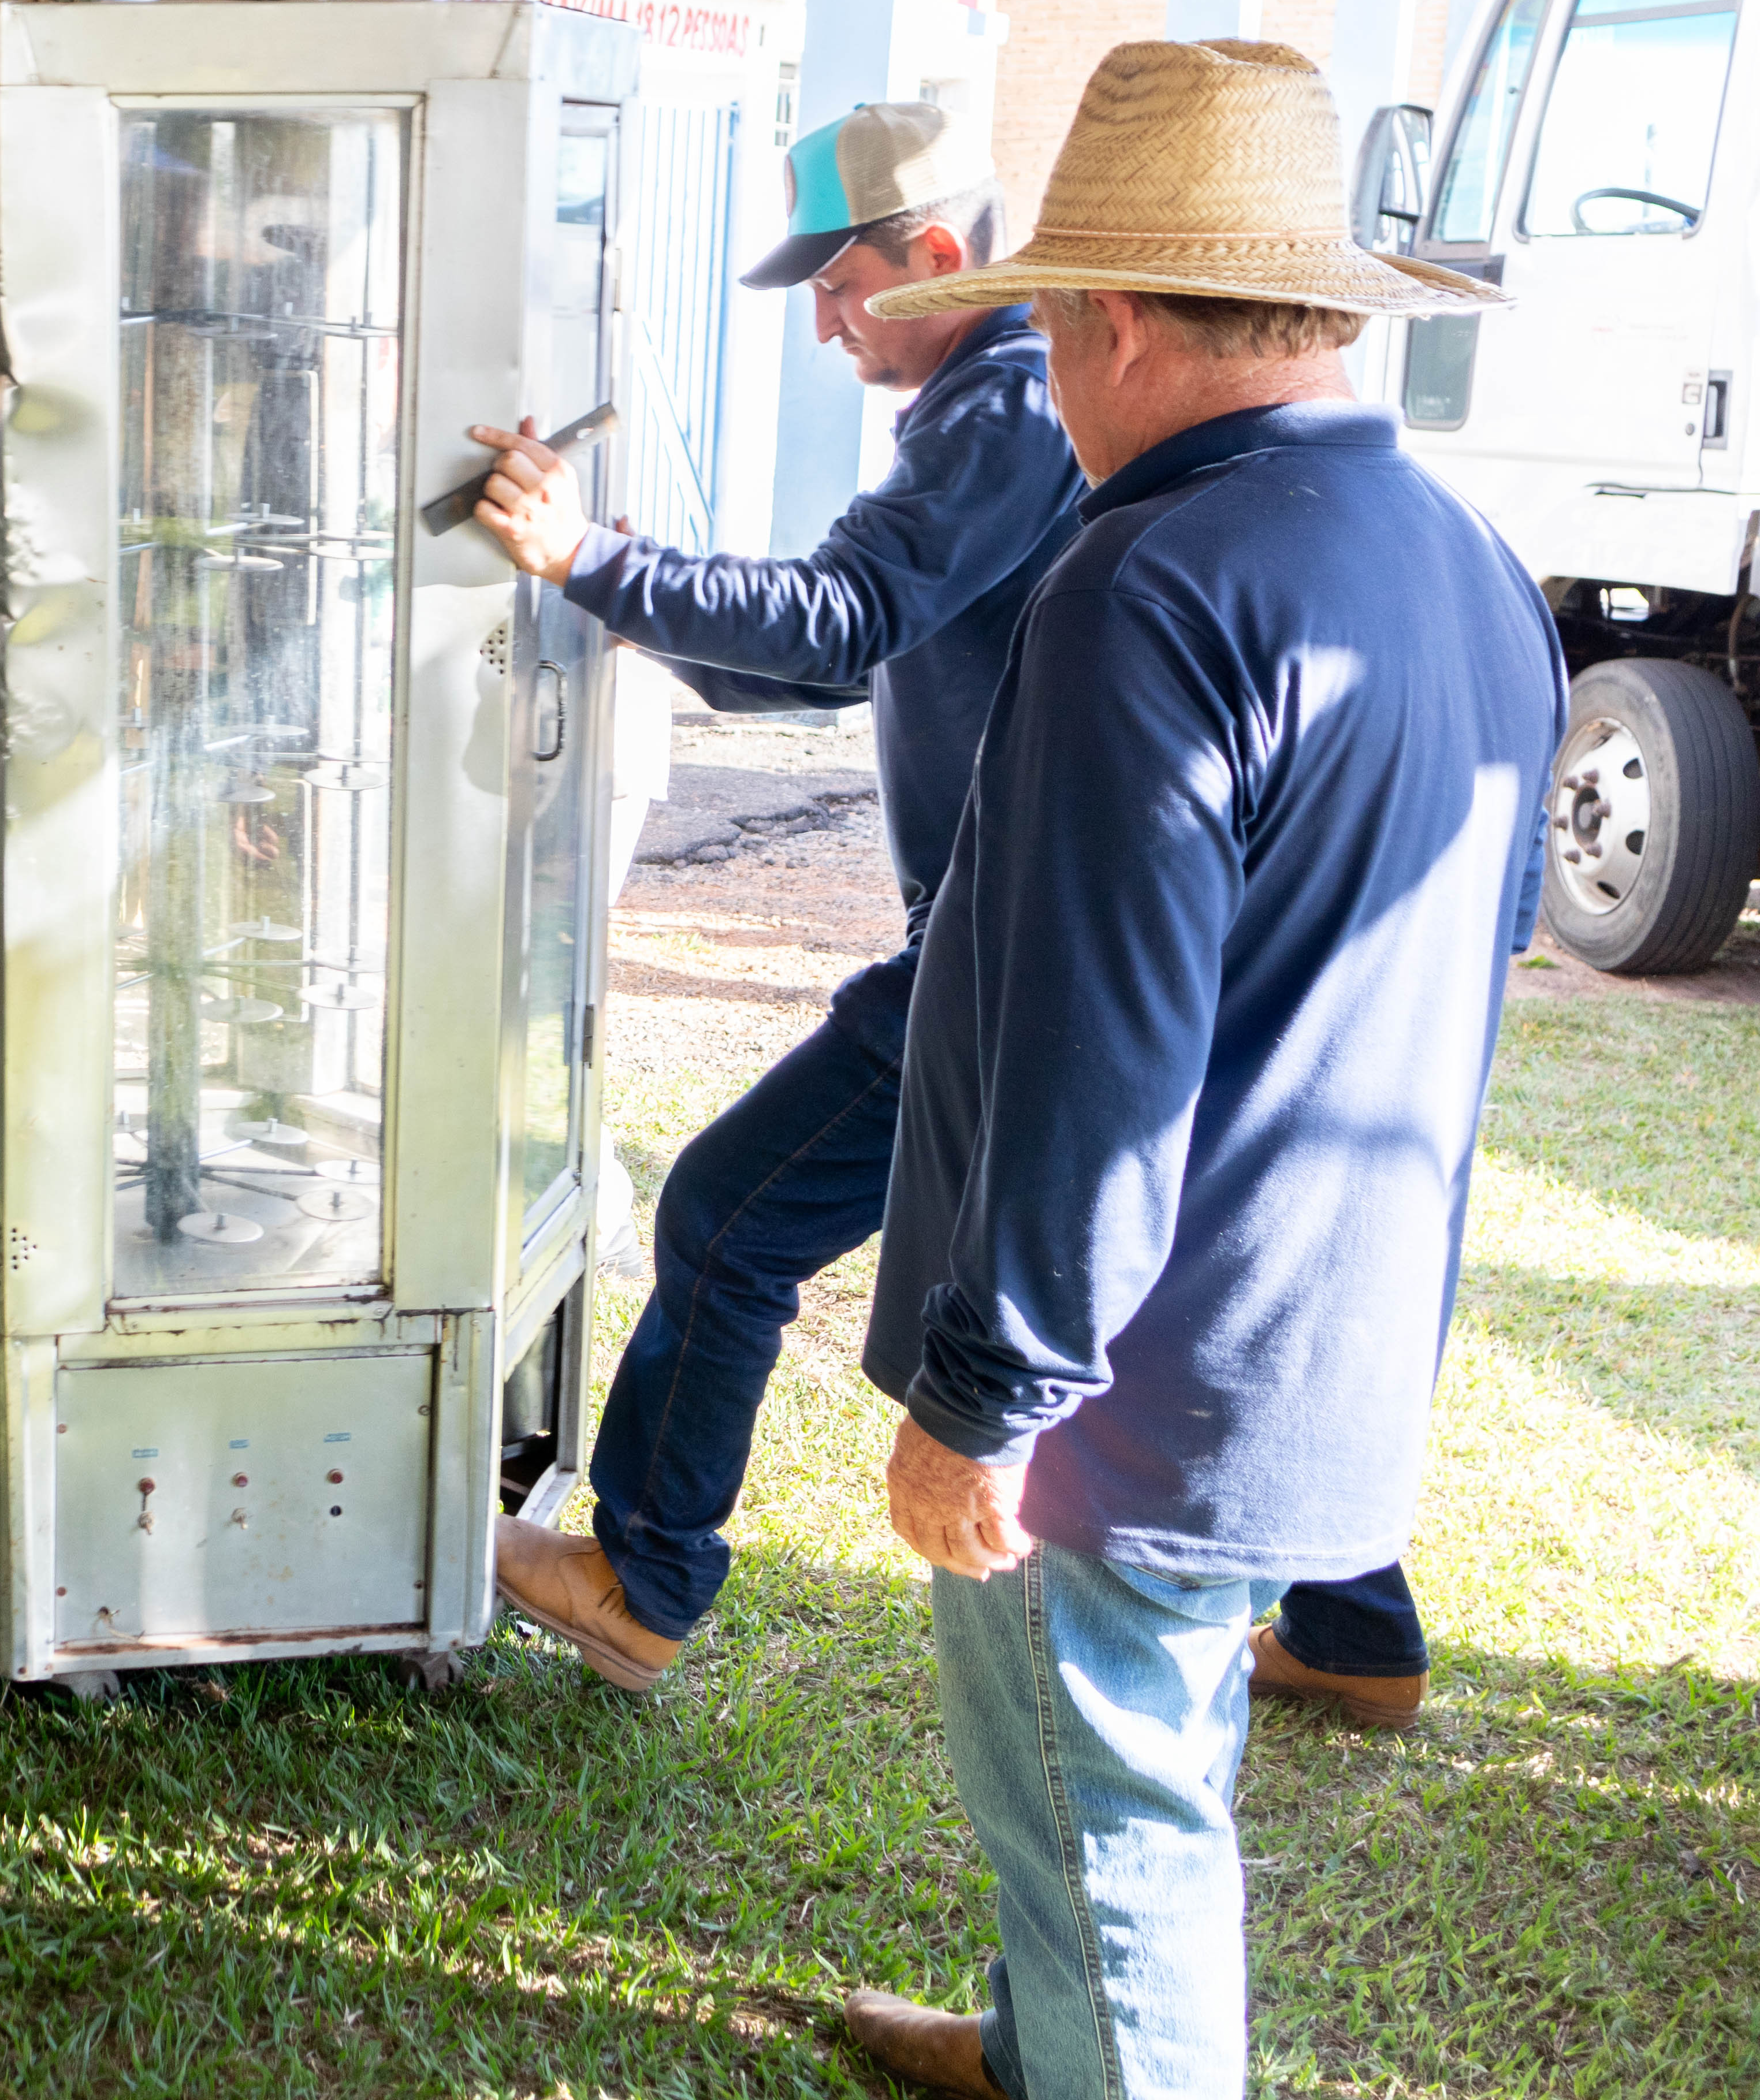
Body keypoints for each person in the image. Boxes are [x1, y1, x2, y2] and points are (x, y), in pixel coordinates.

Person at [468, 102, 1444, 1733]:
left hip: (1015, 936)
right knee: (1201, 1255)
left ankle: (644, 1582)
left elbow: (845, 618)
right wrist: (622, 590)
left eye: (840, 283)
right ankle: (1357, 1629)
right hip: (1073, 927)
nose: (823, 319)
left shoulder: (1001, 404)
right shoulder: (1008, 409)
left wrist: (586, 561)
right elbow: (851, 645)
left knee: (728, 1211)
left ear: (940, 261)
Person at [839, 39, 1560, 2098]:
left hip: (1136, 1376)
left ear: (1121, 319)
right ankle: (1039, 2039)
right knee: (1146, 1770)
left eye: (1054, 323)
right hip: (1318, 1337)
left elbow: (1101, 1052)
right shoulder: (1470, 565)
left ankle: (1094, 2049)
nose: (1049, 378)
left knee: (1108, 1816)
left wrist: (989, 1396)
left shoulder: (1147, 583)